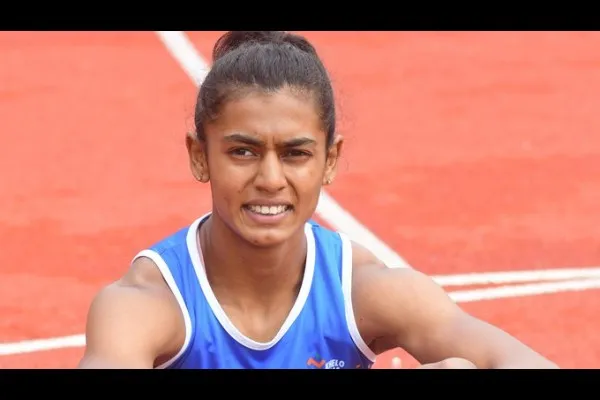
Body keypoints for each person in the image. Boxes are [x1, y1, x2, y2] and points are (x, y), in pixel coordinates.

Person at [77, 31, 558, 370]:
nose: (270, 179)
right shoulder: (146, 304)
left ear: (330, 160)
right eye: (243, 152)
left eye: (295, 154)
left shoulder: (365, 289)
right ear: (200, 157)